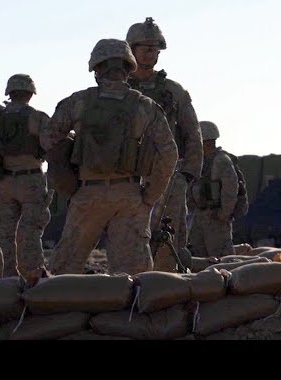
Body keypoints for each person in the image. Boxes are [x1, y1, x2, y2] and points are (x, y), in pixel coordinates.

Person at [41, 38, 178, 275]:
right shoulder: (144, 106)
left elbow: (49, 140)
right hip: (129, 196)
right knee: (135, 277)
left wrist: (69, 179)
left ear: (96, 68)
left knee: (63, 273)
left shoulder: (78, 102)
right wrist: (150, 195)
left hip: (87, 194)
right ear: (128, 68)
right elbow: (169, 152)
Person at [125, 17, 203, 272]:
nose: (151, 53)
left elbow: (192, 133)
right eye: (146, 48)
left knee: (168, 240)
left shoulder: (173, 91)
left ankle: (165, 286)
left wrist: (187, 174)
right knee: (126, 238)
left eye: (155, 49)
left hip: (168, 176)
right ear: (131, 49)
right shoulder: (118, 90)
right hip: (126, 176)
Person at [0, 74, 52, 284]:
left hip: (4, 181)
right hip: (31, 179)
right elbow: (50, 145)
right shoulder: (37, 118)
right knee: (30, 232)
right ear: (30, 93)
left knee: (4, 235)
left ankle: (7, 279)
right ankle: (33, 277)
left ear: (9, 93)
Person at [188, 121, 239, 257]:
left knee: (222, 258)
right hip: (200, 217)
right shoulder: (201, 161)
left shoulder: (221, 161)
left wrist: (223, 215)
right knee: (199, 258)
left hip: (216, 219)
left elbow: (230, 189)